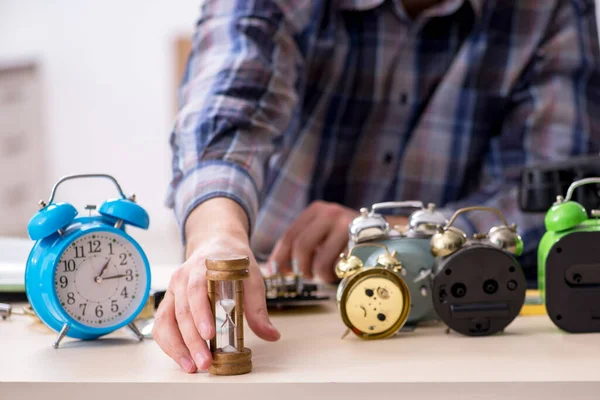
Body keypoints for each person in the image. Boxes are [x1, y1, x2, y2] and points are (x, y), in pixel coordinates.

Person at [154, 0, 600, 373]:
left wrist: (401, 234)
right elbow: (228, 113)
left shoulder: (553, 10)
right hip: (272, 289)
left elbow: (551, 200)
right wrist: (219, 234)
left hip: (446, 332)